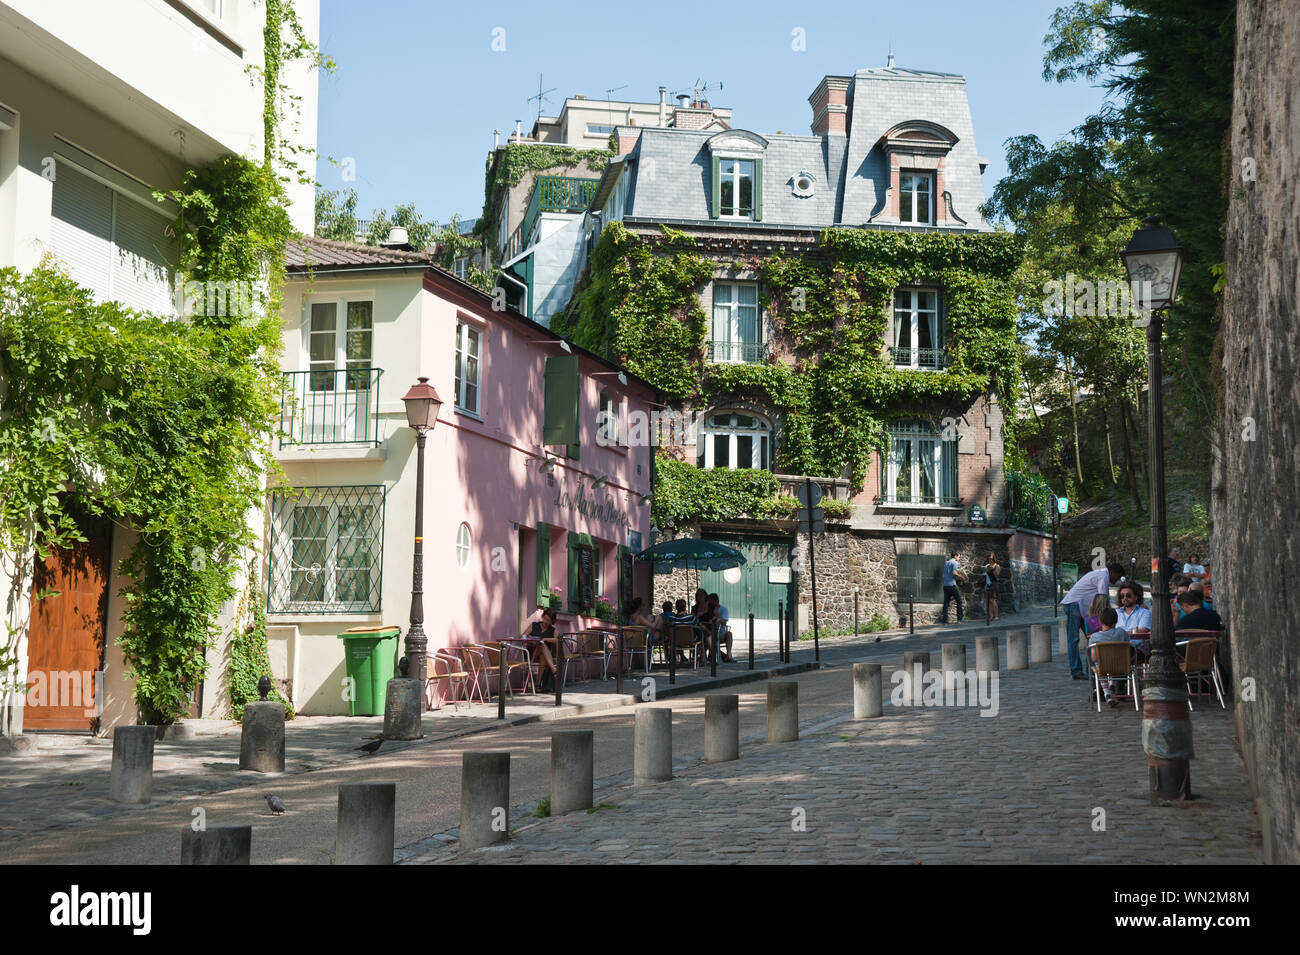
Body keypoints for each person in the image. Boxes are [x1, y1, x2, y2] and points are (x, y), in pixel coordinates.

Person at [1060, 562, 1125, 680]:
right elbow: (1103, 600)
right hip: (1074, 605)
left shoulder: (1101, 574)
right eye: (1118, 577)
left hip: (1079, 607)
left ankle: (1089, 670)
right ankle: (1076, 671)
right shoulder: (1103, 577)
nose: (1118, 580)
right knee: (1074, 639)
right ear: (1113, 572)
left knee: (1092, 638)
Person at [1087, 607, 1131, 707]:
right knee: (1114, 660)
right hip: (1121, 665)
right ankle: (1112, 683)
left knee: (1099, 665)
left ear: (1100, 621)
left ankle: (1106, 693)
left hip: (1103, 667)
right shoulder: (1121, 632)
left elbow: (1093, 658)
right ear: (1116, 621)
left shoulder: (1095, 637)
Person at [524, 608, 560, 692]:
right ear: (542, 616)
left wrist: (546, 639)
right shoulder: (534, 625)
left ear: (552, 621)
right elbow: (523, 636)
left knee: (542, 653)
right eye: (545, 619)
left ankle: (537, 685)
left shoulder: (553, 630)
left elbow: (558, 640)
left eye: (548, 620)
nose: (545, 622)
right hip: (531, 653)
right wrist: (530, 639)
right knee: (541, 645)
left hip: (543, 654)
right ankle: (554, 669)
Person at [706, 592, 733, 662]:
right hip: (709, 633)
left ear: (716, 602)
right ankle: (711, 656)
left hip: (720, 633)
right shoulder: (706, 609)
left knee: (729, 634)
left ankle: (729, 654)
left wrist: (717, 614)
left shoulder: (723, 609)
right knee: (709, 636)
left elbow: (724, 622)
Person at [940, 551, 965, 624]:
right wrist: (962, 577)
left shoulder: (946, 563)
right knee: (959, 601)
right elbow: (954, 573)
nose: (959, 558)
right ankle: (959, 620)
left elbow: (943, 576)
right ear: (955, 556)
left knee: (946, 603)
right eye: (959, 557)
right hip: (952, 585)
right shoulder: (954, 563)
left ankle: (944, 621)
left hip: (945, 585)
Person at [983, 552, 1001, 624]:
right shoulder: (987, 566)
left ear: (994, 559)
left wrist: (992, 570)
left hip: (993, 584)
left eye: (991, 558)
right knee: (989, 600)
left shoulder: (997, 566)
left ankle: (996, 616)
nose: (989, 560)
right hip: (987, 584)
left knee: (993, 600)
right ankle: (991, 616)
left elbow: (996, 576)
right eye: (989, 558)